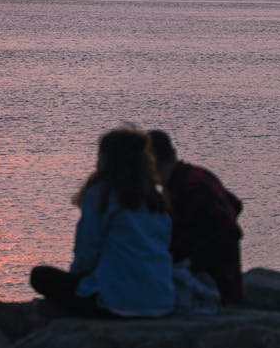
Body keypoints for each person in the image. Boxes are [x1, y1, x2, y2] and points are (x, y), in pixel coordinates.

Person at [30, 127, 175, 318]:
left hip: (117, 303)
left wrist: (79, 279)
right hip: (162, 302)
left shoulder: (101, 195)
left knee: (40, 276)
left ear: (107, 159)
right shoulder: (155, 199)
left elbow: (87, 251)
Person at [149, 130, 243, 305]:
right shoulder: (197, 175)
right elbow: (235, 204)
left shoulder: (187, 189)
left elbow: (227, 231)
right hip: (224, 281)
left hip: (215, 287)